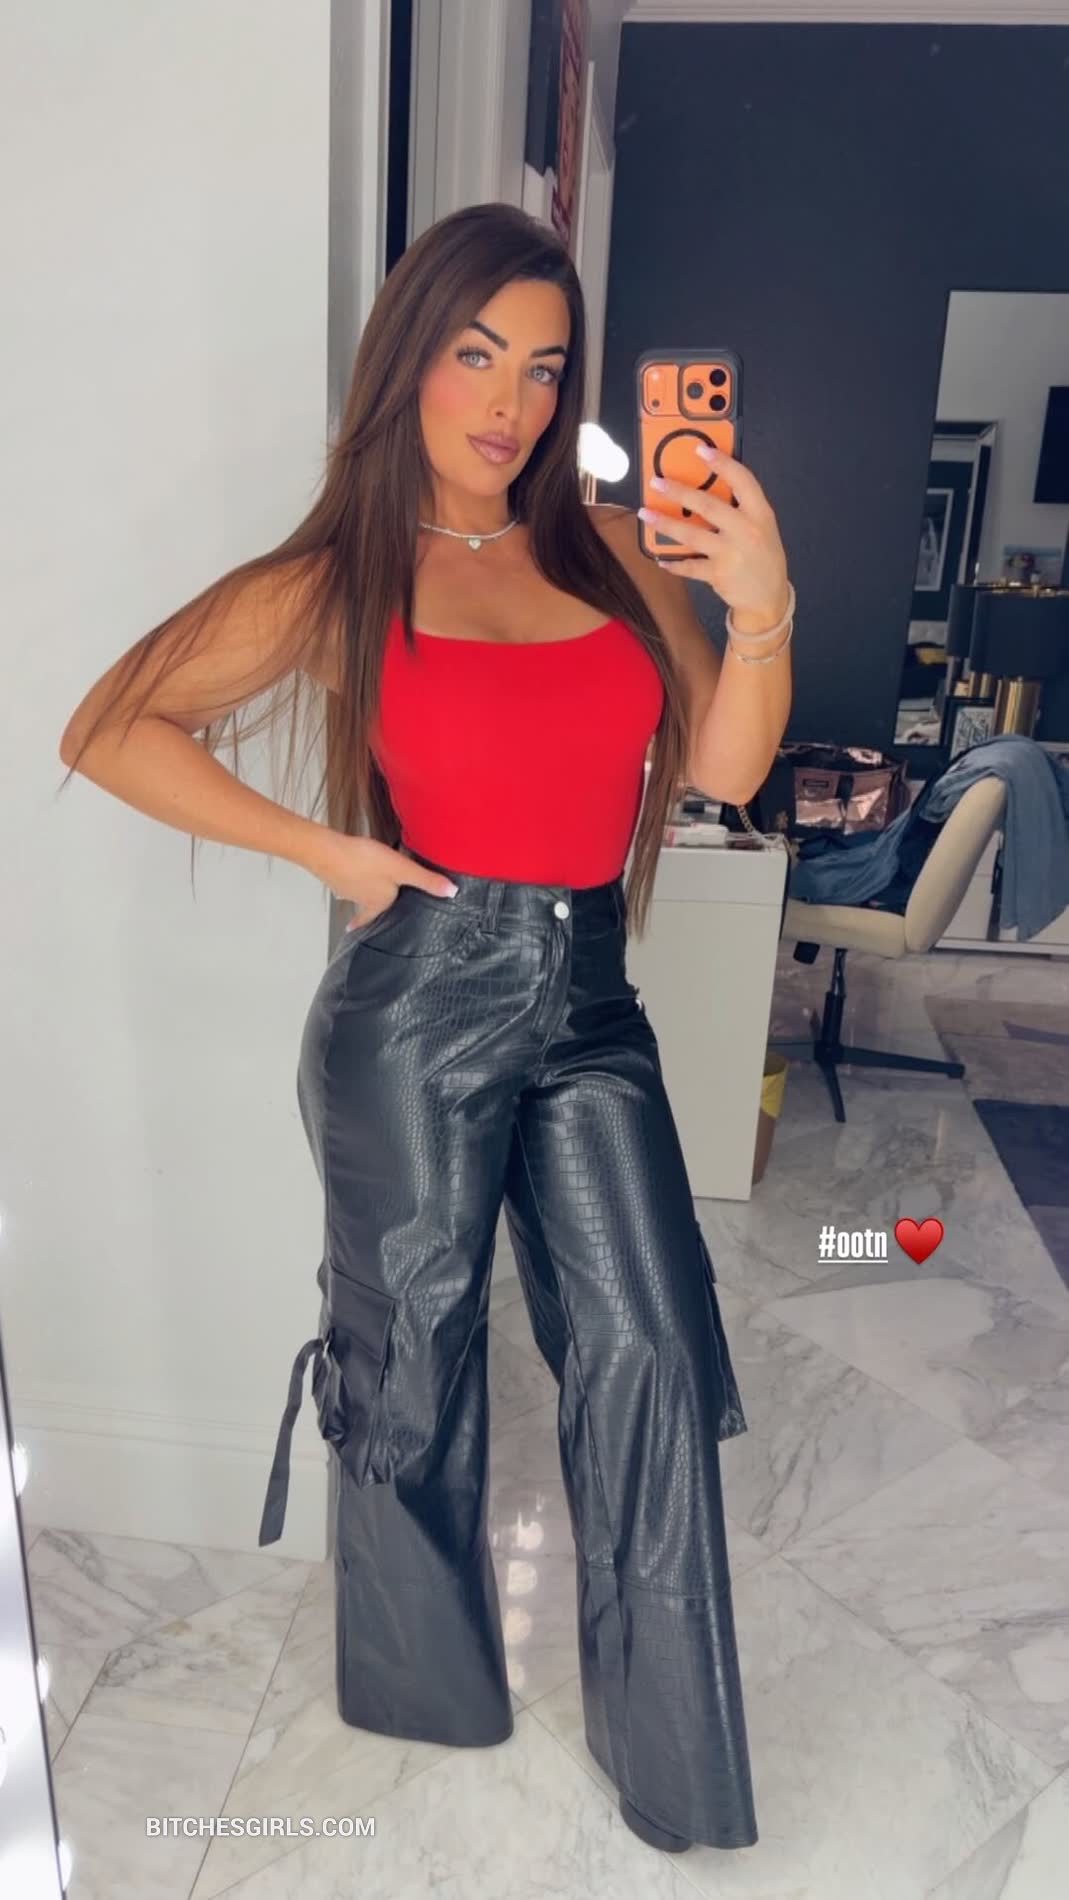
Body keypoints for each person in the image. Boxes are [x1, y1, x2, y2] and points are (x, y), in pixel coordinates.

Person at [58, 202, 793, 1854]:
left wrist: (762, 602)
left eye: (541, 367)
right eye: (475, 355)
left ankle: (675, 1763)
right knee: (411, 1359)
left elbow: (727, 769)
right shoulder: (341, 578)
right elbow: (110, 726)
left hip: (588, 1004)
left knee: (649, 1351)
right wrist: (328, 853)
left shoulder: (608, 553)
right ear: (407, 361)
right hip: (418, 1005)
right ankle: (420, 1688)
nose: (508, 401)